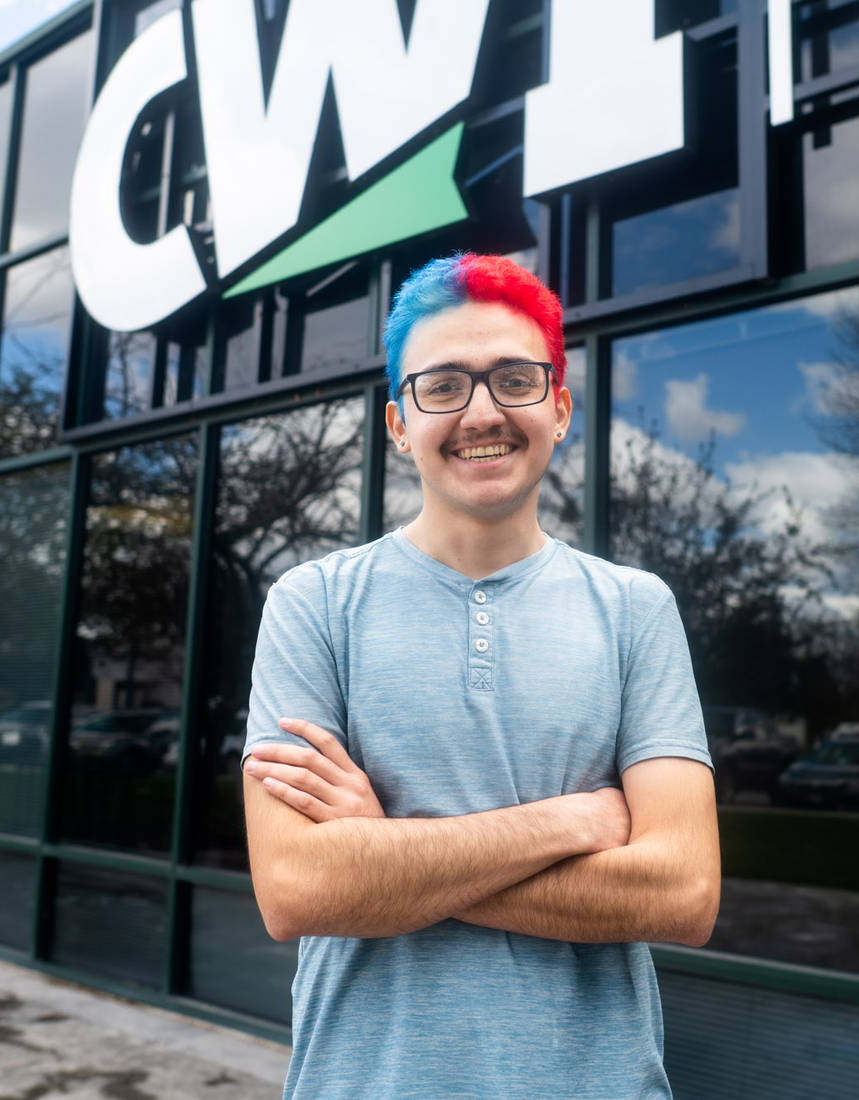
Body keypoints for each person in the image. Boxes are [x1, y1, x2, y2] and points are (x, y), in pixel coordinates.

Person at [242, 253, 720, 1100]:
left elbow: (683, 891)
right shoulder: (313, 604)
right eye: (444, 385)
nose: (482, 411)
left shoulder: (635, 609)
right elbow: (297, 889)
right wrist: (570, 821)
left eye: (513, 378)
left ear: (560, 409)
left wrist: (385, 850)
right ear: (398, 423)